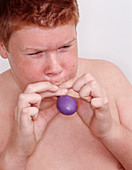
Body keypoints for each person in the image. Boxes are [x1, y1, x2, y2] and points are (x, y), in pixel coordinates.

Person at [0, 0, 132, 169]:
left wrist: (110, 132)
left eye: (65, 47)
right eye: (36, 53)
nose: (55, 68)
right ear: (3, 47)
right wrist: (17, 153)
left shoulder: (109, 78)